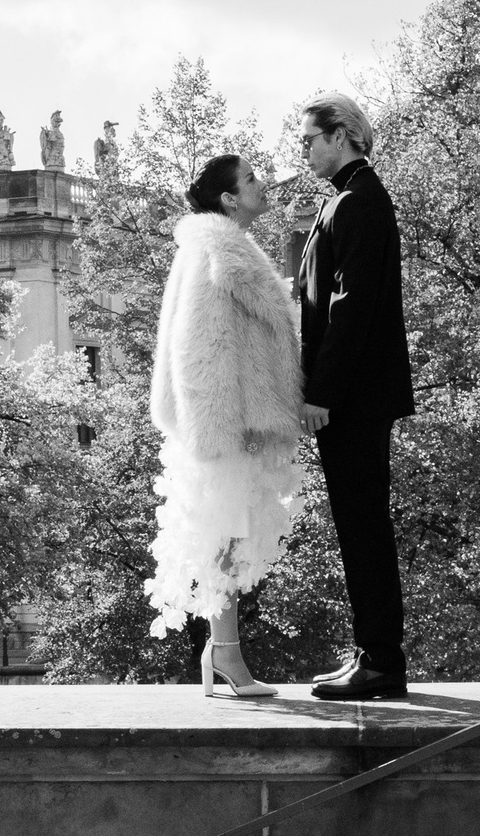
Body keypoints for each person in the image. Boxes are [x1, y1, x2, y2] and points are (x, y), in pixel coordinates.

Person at [144, 153, 305, 697]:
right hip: (222, 425)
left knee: (233, 535)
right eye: (252, 179)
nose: (264, 185)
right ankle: (226, 656)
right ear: (230, 198)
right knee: (227, 536)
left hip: (232, 419)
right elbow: (198, 346)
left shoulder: (219, 246)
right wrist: (218, 428)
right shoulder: (216, 249)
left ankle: (223, 654)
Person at [292, 91, 415, 700]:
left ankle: (382, 662)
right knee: (357, 526)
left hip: (354, 398)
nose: (304, 148)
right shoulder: (346, 198)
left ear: (340, 135)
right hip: (354, 396)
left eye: (310, 137)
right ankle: (372, 653)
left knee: (364, 527)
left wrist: (322, 393)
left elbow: (350, 309)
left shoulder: (360, 200)